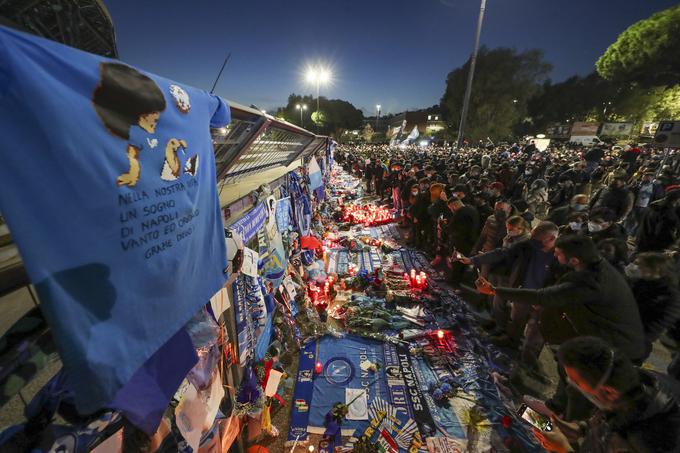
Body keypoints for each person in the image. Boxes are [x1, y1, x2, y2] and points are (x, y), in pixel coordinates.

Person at [476, 235, 647, 421]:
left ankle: (567, 425)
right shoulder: (594, 266)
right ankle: (555, 407)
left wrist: (495, 290)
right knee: (567, 368)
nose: (554, 256)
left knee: (581, 385)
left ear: (574, 259)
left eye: (557, 254)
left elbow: (542, 296)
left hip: (616, 344)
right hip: (597, 334)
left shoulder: (590, 282)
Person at [533, 336, 680, 453]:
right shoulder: (634, 381)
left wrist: (564, 449)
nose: (573, 387)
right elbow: (612, 415)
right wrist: (581, 428)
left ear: (609, 391)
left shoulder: (648, 439)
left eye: (577, 383)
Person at [461, 222, 560, 368]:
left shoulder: (561, 254)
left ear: (551, 239)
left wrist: (547, 301)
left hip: (544, 300)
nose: (532, 243)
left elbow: (562, 281)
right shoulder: (528, 245)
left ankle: (527, 365)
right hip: (522, 292)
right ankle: (511, 340)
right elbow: (502, 253)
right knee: (516, 320)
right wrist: (473, 260)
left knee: (535, 334)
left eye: (537, 241)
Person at [625, 252, 680, 358]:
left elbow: (656, 327)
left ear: (655, 269)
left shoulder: (670, 297)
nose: (636, 268)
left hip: (636, 342)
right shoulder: (640, 282)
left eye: (641, 265)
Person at [637, 187, 680, 252]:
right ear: (678, 200)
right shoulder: (668, 214)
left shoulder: (653, 206)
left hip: (642, 241)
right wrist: (671, 245)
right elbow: (663, 234)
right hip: (654, 248)